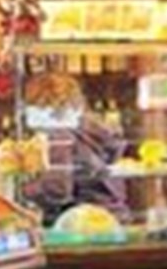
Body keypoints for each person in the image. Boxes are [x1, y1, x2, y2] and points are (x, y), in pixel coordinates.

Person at [19, 70, 127, 224]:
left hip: (82, 224)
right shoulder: (92, 130)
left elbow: (57, 190)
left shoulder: (58, 135)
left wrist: (23, 190)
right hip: (113, 218)